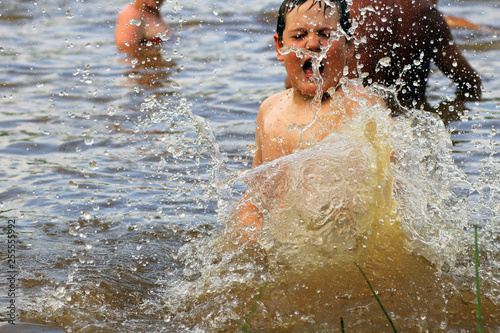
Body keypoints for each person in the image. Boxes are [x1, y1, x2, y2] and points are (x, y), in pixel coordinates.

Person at [228, 0, 394, 245]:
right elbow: (257, 194)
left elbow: (392, 193)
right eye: (299, 35)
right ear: (279, 46)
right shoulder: (270, 111)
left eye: (326, 35)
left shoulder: (362, 106)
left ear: (349, 47)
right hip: (286, 246)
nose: (313, 44)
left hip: (343, 247)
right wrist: (247, 232)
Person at [347, 0, 482, 110]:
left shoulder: (344, 11)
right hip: (412, 127)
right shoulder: (427, 12)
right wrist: (447, 118)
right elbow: (471, 83)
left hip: (354, 124)